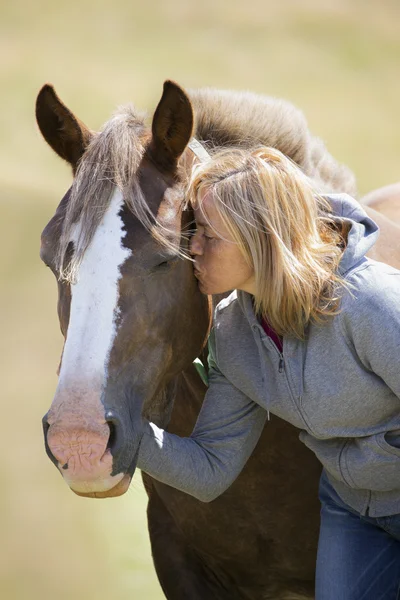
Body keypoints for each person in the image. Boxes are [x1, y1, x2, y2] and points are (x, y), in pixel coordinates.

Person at [137, 146, 400, 599]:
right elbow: (212, 467)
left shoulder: (370, 304)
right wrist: (117, 436)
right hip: (353, 509)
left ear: (261, 237)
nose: (191, 247)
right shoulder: (235, 333)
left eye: (209, 235)